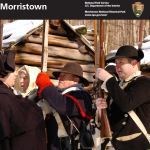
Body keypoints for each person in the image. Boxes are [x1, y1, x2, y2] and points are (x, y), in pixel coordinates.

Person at [95, 45, 150, 150]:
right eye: (116, 63)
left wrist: (108, 79)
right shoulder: (118, 86)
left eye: (121, 62)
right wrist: (100, 109)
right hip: (115, 144)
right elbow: (110, 119)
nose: (117, 66)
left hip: (136, 145)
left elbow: (126, 104)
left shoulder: (144, 83)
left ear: (134, 63)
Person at [36, 62, 94, 150]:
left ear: (76, 79)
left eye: (64, 75)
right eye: (60, 76)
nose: (59, 78)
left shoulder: (81, 95)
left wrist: (46, 86)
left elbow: (63, 106)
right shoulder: (59, 94)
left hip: (71, 145)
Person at [0, 50, 47, 150]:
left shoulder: (40, 99)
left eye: (25, 78)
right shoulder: (13, 99)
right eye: (19, 77)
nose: (20, 81)